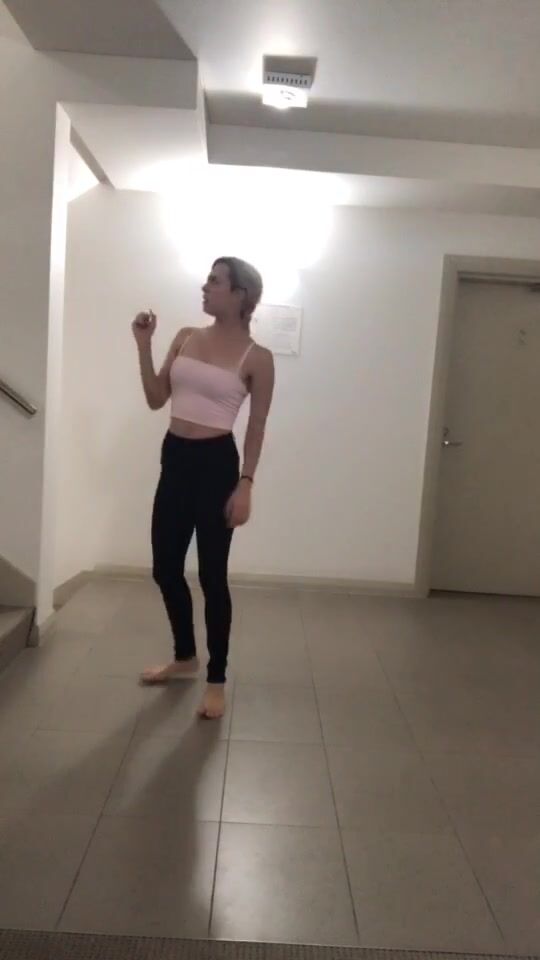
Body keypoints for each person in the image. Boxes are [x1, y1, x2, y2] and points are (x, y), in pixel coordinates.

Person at [132, 257, 275, 719]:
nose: (205, 286)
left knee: (213, 576)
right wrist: (144, 345)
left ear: (239, 295)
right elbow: (156, 398)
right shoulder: (185, 337)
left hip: (217, 465)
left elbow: (256, 426)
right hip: (175, 458)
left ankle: (216, 679)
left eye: (215, 281)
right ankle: (185, 657)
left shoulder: (258, 358)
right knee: (165, 568)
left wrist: (246, 484)